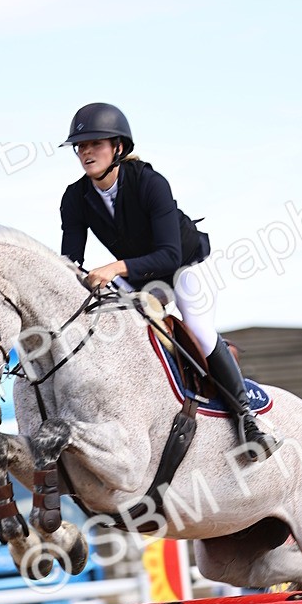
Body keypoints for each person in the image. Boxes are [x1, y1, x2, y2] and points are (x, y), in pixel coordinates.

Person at [59, 102, 281, 461]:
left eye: (95, 144)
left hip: (182, 269)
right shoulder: (75, 197)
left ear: (118, 148)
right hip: (136, 279)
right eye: (81, 146)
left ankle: (248, 420)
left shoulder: (150, 183)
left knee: (199, 329)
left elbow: (169, 256)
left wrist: (114, 269)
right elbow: (71, 259)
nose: (86, 152)